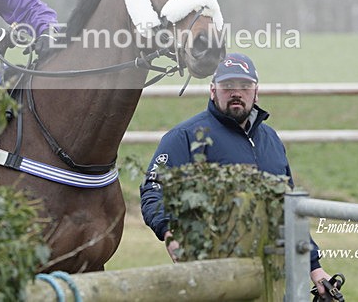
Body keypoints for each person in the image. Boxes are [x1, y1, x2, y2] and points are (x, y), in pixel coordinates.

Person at [140, 53, 333, 294]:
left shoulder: (271, 140)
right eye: (227, 85)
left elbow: (289, 208)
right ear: (213, 90)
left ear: (256, 91)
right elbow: (153, 189)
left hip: (271, 275)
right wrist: (170, 233)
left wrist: (314, 267)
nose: (236, 92)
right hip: (213, 272)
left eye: (244, 86)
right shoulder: (185, 136)